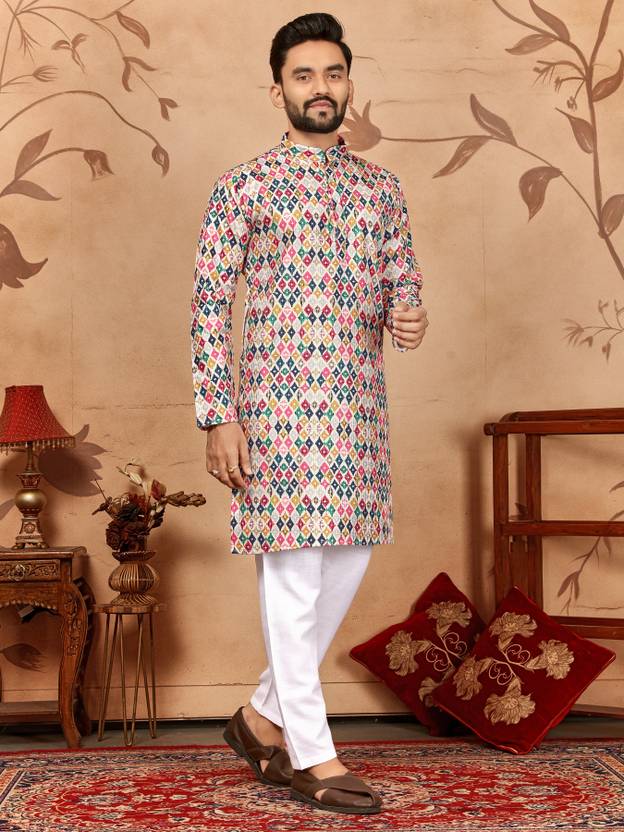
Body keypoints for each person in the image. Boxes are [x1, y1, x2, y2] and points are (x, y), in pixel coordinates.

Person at [191, 12, 428, 815]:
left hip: (357, 411)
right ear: (278, 91)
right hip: (276, 411)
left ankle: (260, 717)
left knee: (347, 564)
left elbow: (404, 283)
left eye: (332, 73)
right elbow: (208, 305)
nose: (320, 87)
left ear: (348, 84)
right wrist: (219, 415)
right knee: (292, 578)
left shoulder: (381, 188)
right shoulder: (245, 185)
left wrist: (409, 316)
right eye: (303, 75)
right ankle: (311, 751)